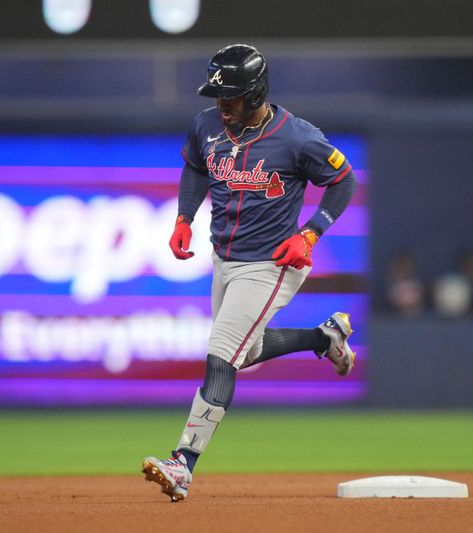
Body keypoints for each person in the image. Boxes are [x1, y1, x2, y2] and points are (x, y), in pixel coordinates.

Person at [141, 44, 358, 502]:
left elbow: (344, 179)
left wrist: (312, 234)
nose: (221, 105)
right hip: (224, 258)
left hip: (272, 263)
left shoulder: (296, 137)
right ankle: (327, 339)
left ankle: (182, 463)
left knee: (222, 351)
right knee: (247, 351)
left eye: (231, 97)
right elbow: (196, 168)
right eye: (218, 96)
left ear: (256, 92)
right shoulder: (207, 125)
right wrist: (184, 218)